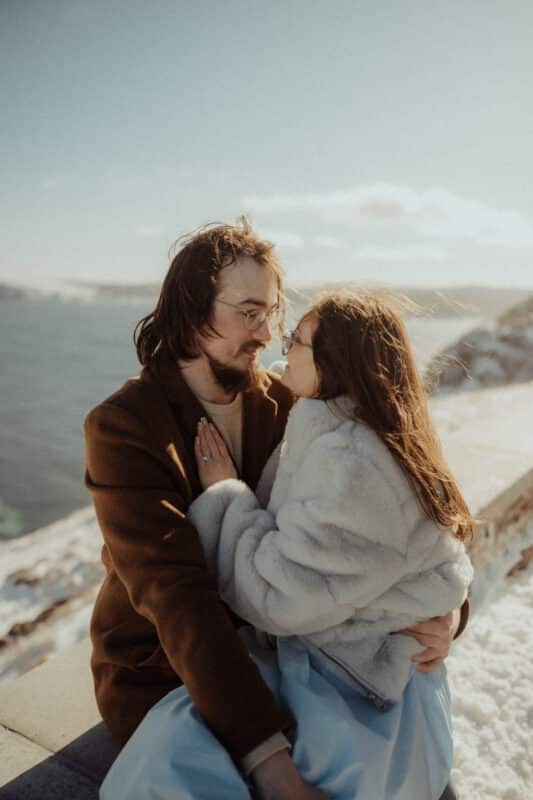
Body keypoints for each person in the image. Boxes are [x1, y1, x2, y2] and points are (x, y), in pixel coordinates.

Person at [85, 219, 469, 800]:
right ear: (190, 309)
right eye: (248, 313)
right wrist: (269, 759)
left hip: (292, 648)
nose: (266, 334)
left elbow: (414, 502)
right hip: (176, 665)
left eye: (272, 313)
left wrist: (447, 613)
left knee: (415, 768)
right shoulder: (124, 426)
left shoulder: (293, 400)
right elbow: (177, 597)